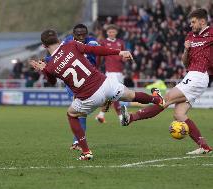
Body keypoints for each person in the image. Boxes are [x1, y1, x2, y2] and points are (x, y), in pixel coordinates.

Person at [29, 29, 164, 160]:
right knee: (130, 94)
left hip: (89, 96)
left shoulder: (50, 65)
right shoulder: (71, 45)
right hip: (105, 83)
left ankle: (86, 152)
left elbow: (52, 81)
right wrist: (119, 52)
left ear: (44, 45)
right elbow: (95, 50)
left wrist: (44, 70)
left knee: (71, 114)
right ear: (58, 39)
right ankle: (156, 99)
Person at [121, 8, 212, 155]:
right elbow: (184, 62)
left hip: (199, 75)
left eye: (193, 22)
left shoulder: (211, 34)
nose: (191, 25)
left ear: (202, 21)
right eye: (190, 22)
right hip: (191, 74)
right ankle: (204, 146)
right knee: (179, 114)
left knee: (167, 98)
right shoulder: (190, 36)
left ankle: (130, 118)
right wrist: (186, 50)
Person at [46, 24, 100, 151]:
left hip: (87, 80)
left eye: (83, 34)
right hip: (72, 82)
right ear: (73, 34)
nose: (81, 37)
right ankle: (78, 142)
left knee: (80, 112)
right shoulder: (67, 41)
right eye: (78, 35)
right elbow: (58, 55)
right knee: (80, 113)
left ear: (87, 34)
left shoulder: (92, 43)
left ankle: (78, 142)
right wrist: (46, 59)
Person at [95, 24, 126, 124]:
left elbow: (124, 56)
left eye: (113, 31)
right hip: (110, 73)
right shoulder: (103, 42)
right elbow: (99, 56)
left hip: (120, 73)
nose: (111, 33)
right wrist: (97, 67)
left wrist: (125, 58)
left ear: (116, 32)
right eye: (109, 32)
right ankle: (121, 116)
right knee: (115, 94)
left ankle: (101, 115)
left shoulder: (120, 43)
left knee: (112, 96)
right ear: (107, 33)